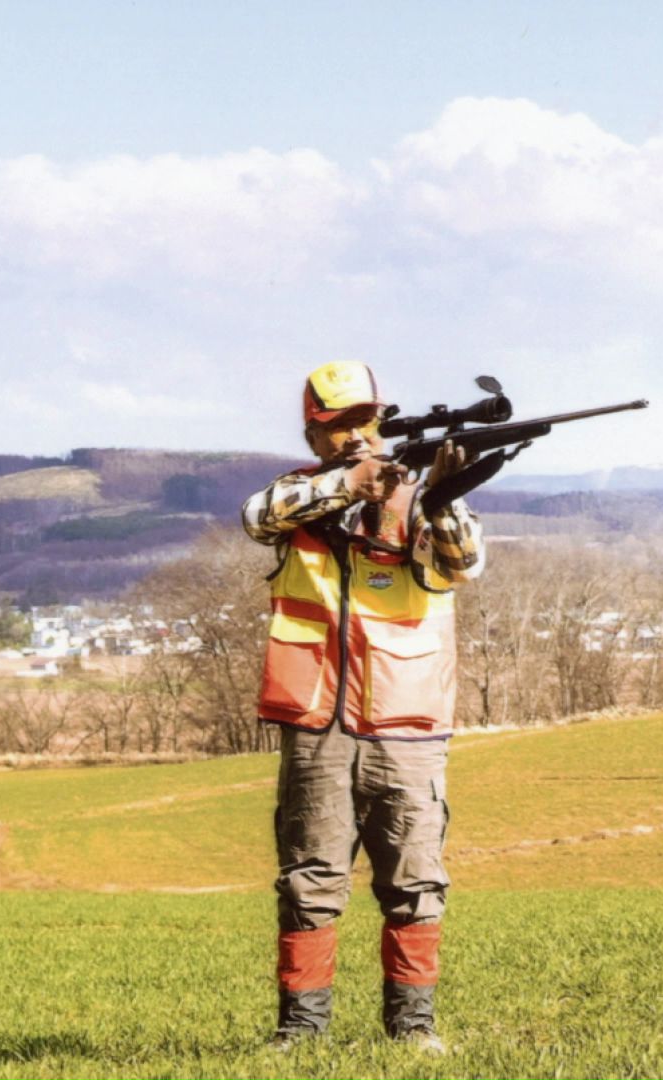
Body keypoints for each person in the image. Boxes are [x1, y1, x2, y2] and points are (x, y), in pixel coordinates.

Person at [240, 360, 485, 1051]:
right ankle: (301, 1035)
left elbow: (461, 566)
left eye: (362, 420)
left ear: (381, 417)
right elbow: (257, 519)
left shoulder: (420, 497)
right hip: (316, 717)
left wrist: (440, 496)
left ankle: (413, 1031)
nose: (353, 435)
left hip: (407, 719)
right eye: (336, 425)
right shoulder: (295, 496)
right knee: (308, 879)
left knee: (415, 880)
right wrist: (349, 485)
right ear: (313, 434)